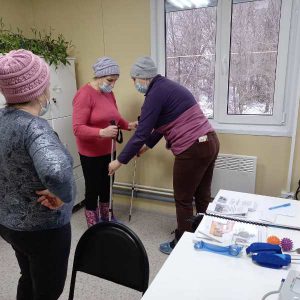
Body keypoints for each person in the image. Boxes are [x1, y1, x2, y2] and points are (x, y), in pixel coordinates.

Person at [109, 56, 220, 254]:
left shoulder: (155, 94)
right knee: (203, 194)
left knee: (183, 198)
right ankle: (201, 233)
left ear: (143, 77)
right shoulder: (167, 87)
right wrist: (147, 147)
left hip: (192, 148)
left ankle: (182, 244)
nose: (135, 84)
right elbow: (162, 125)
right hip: (209, 142)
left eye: (134, 79)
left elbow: (142, 132)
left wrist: (120, 160)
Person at [0, 49, 75, 299]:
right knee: (47, 290)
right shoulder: (34, 128)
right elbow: (57, 173)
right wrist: (62, 195)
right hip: (43, 229)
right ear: (40, 90)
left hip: (9, 224)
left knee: (27, 276)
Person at [72, 56, 137, 227]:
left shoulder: (109, 93)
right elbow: (77, 128)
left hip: (109, 150)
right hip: (90, 153)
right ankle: (92, 222)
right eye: (110, 80)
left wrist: (128, 125)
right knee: (93, 188)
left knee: (107, 186)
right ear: (99, 76)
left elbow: (114, 117)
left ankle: (106, 216)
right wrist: (101, 132)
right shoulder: (84, 95)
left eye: (115, 81)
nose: (112, 84)